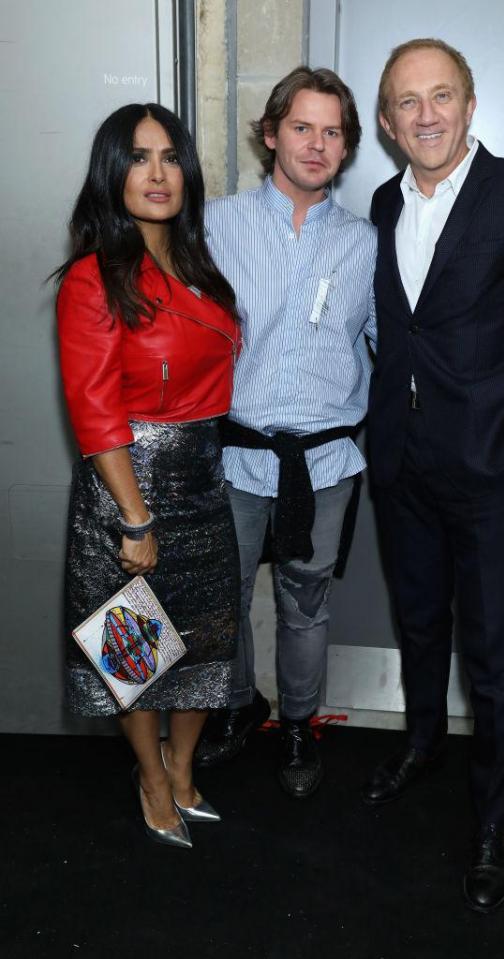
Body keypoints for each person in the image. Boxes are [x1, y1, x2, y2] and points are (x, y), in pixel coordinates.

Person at [362, 39, 504, 911]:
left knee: (492, 653)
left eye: (440, 96)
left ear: (468, 103)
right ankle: (422, 741)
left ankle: (493, 821)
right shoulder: (382, 203)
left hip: (489, 469)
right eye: (408, 102)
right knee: (419, 620)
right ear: (386, 122)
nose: (425, 114)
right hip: (402, 464)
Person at [55, 102, 241, 849]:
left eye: (170, 157)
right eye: (139, 157)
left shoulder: (196, 263)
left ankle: (184, 765)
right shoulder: (93, 277)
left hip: (204, 479)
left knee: (206, 642)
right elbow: (95, 410)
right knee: (136, 654)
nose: (158, 174)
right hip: (128, 490)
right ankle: (151, 775)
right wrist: (135, 519)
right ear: (112, 172)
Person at [196, 67, 377, 799]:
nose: (317, 144)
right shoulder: (215, 225)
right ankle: (241, 704)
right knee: (224, 596)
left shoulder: (366, 242)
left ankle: (299, 723)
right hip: (236, 455)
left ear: (347, 147)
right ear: (271, 133)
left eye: (333, 132)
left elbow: (396, 342)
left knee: (307, 604)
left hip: (325, 460)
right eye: (302, 127)